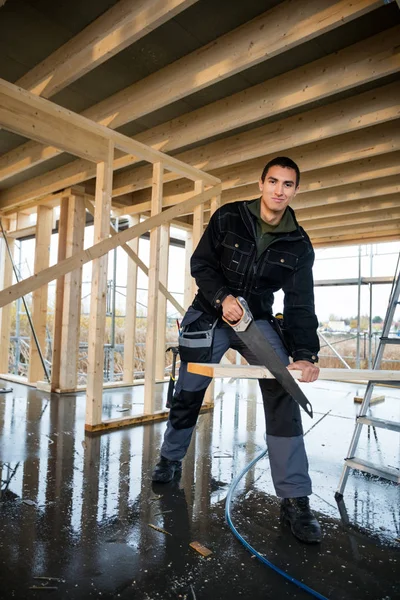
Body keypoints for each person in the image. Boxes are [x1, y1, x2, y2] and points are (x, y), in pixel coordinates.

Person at [152, 156, 321, 543]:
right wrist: (223, 296)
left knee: (282, 388)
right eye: (273, 181)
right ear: (261, 184)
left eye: (288, 184)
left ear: (296, 190)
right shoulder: (229, 217)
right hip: (211, 311)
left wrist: (306, 355)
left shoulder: (298, 244)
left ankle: (295, 498)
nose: (279, 190)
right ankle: (170, 458)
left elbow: (300, 304)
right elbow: (201, 264)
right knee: (190, 388)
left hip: (256, 320)